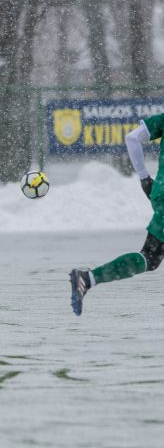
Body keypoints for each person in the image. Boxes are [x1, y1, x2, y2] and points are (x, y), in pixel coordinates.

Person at [70, 112, 164, 315]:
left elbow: (132, 138)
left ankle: (87, 279)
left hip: (160, 191)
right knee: (149, 256)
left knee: (150, 257)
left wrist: (144, 178)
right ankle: (86, 279)